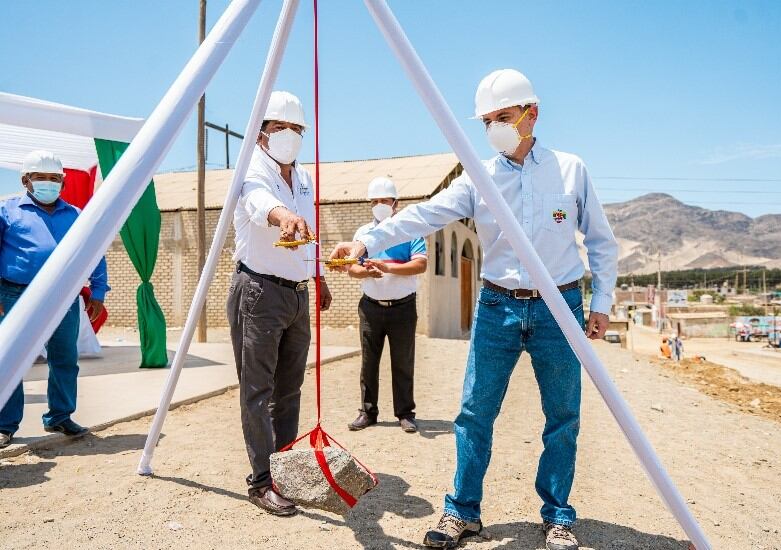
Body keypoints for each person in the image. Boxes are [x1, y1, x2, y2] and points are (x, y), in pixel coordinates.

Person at [330, 69, 618, 550]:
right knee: (474, 413)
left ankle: (558, 516)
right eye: (487, 120)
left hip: (560, 306)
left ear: (533, 114)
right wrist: (364, 239)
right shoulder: (477, 178)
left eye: (503, 116)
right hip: (497, 306)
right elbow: (422, 214)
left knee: (563, 415)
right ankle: (461, 512)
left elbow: (602, 243)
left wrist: (602, 303)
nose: (495, 127)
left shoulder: (570, 170)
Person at [227, 91, 332, 516]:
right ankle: (261, 481)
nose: (288, 135)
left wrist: (318, 274)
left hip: (296, 293)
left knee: (289, 390)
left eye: (296, 129)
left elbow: (311, 226)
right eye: (278, 128)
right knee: (258, 389)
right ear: (262, 133)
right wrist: (281, 216)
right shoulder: (249, 168)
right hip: (258, 292)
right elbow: (258, 204)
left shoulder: (304, 177)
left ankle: (283, 469)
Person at [0, 150, 108, 449]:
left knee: (64, 359)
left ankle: (59, 416)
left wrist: (97, 291)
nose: (49, 183)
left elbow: (94, 252)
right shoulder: (7, 211)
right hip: (15, 294)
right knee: (11, 360)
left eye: (54, 178)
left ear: (62, 181)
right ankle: (5, 425)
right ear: (26, 180)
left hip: (62, 296)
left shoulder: (75, 214)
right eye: (41, 178)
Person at [347, 177, 427, 434]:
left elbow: (420, 264)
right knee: (369, 362)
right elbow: (351, 268)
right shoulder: (362, 234)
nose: (380, 204)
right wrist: (366, 273)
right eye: (375, 201)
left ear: (396, 203)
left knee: (403, 361)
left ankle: (405, 413)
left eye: (385, 200)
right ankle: (367, 412)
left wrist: (387, 267)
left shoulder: (410, 230)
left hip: (402, 307)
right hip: (371, 307)